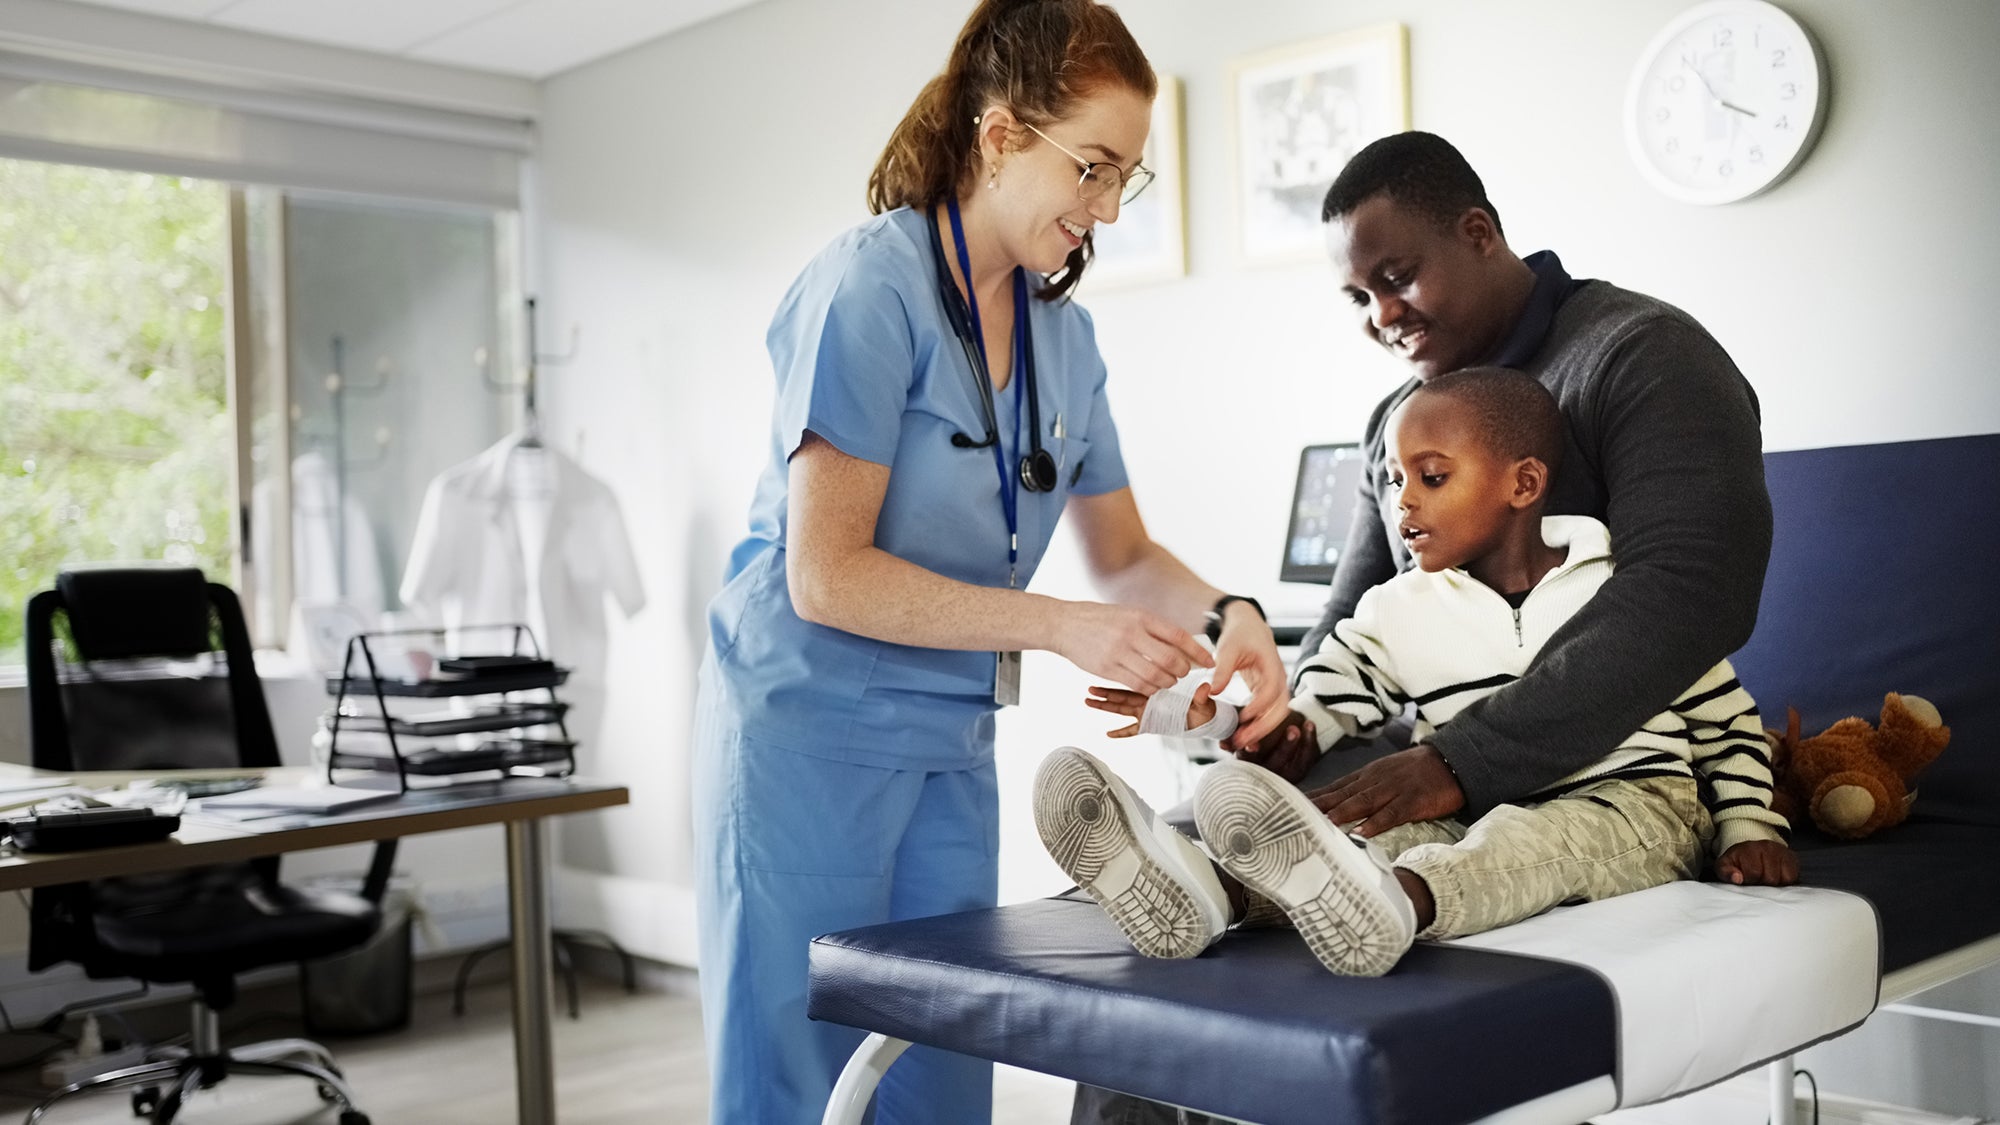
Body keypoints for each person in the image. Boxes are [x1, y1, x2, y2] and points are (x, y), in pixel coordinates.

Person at [1072, 127, 1777, 1125]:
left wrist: (1456, 763)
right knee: (1181, 870)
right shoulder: (1395, 424)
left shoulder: (1642, 357)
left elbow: (1694, 591)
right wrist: (1278, 729)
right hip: (1439, 755)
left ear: (1478, 233)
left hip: (1605, 776)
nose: (1380, 316)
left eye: (1397, 278)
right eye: (1358, 297)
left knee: (1437, 860)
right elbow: (1354, 628)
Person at [691, 3, 1287, 1122]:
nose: (1108, 207)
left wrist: (1231, 615)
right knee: (798, 1072)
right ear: (1002, 136)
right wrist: (1056, 626)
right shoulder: (868, 289)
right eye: (1094, 168)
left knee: (940, 1061)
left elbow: (1120, 555)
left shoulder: (1066, 337)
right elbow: (826, 574)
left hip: (945, 743)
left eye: (1128, 180)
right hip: (802, 738)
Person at [1039, 367, 1798, 984]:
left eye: (1431, 476)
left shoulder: (1621, 590)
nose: (1402, 500)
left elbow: (1725, 718)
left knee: (1518, 842)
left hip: (1633, 802)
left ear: (1523, 484)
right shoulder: (1396, 607)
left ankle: (1399, 904)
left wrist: (1749, 825)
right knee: (1378, 831)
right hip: (1471, 802)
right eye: (1398, 478)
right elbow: (1317, 711)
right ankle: (1211, 890)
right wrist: (1215, 718)